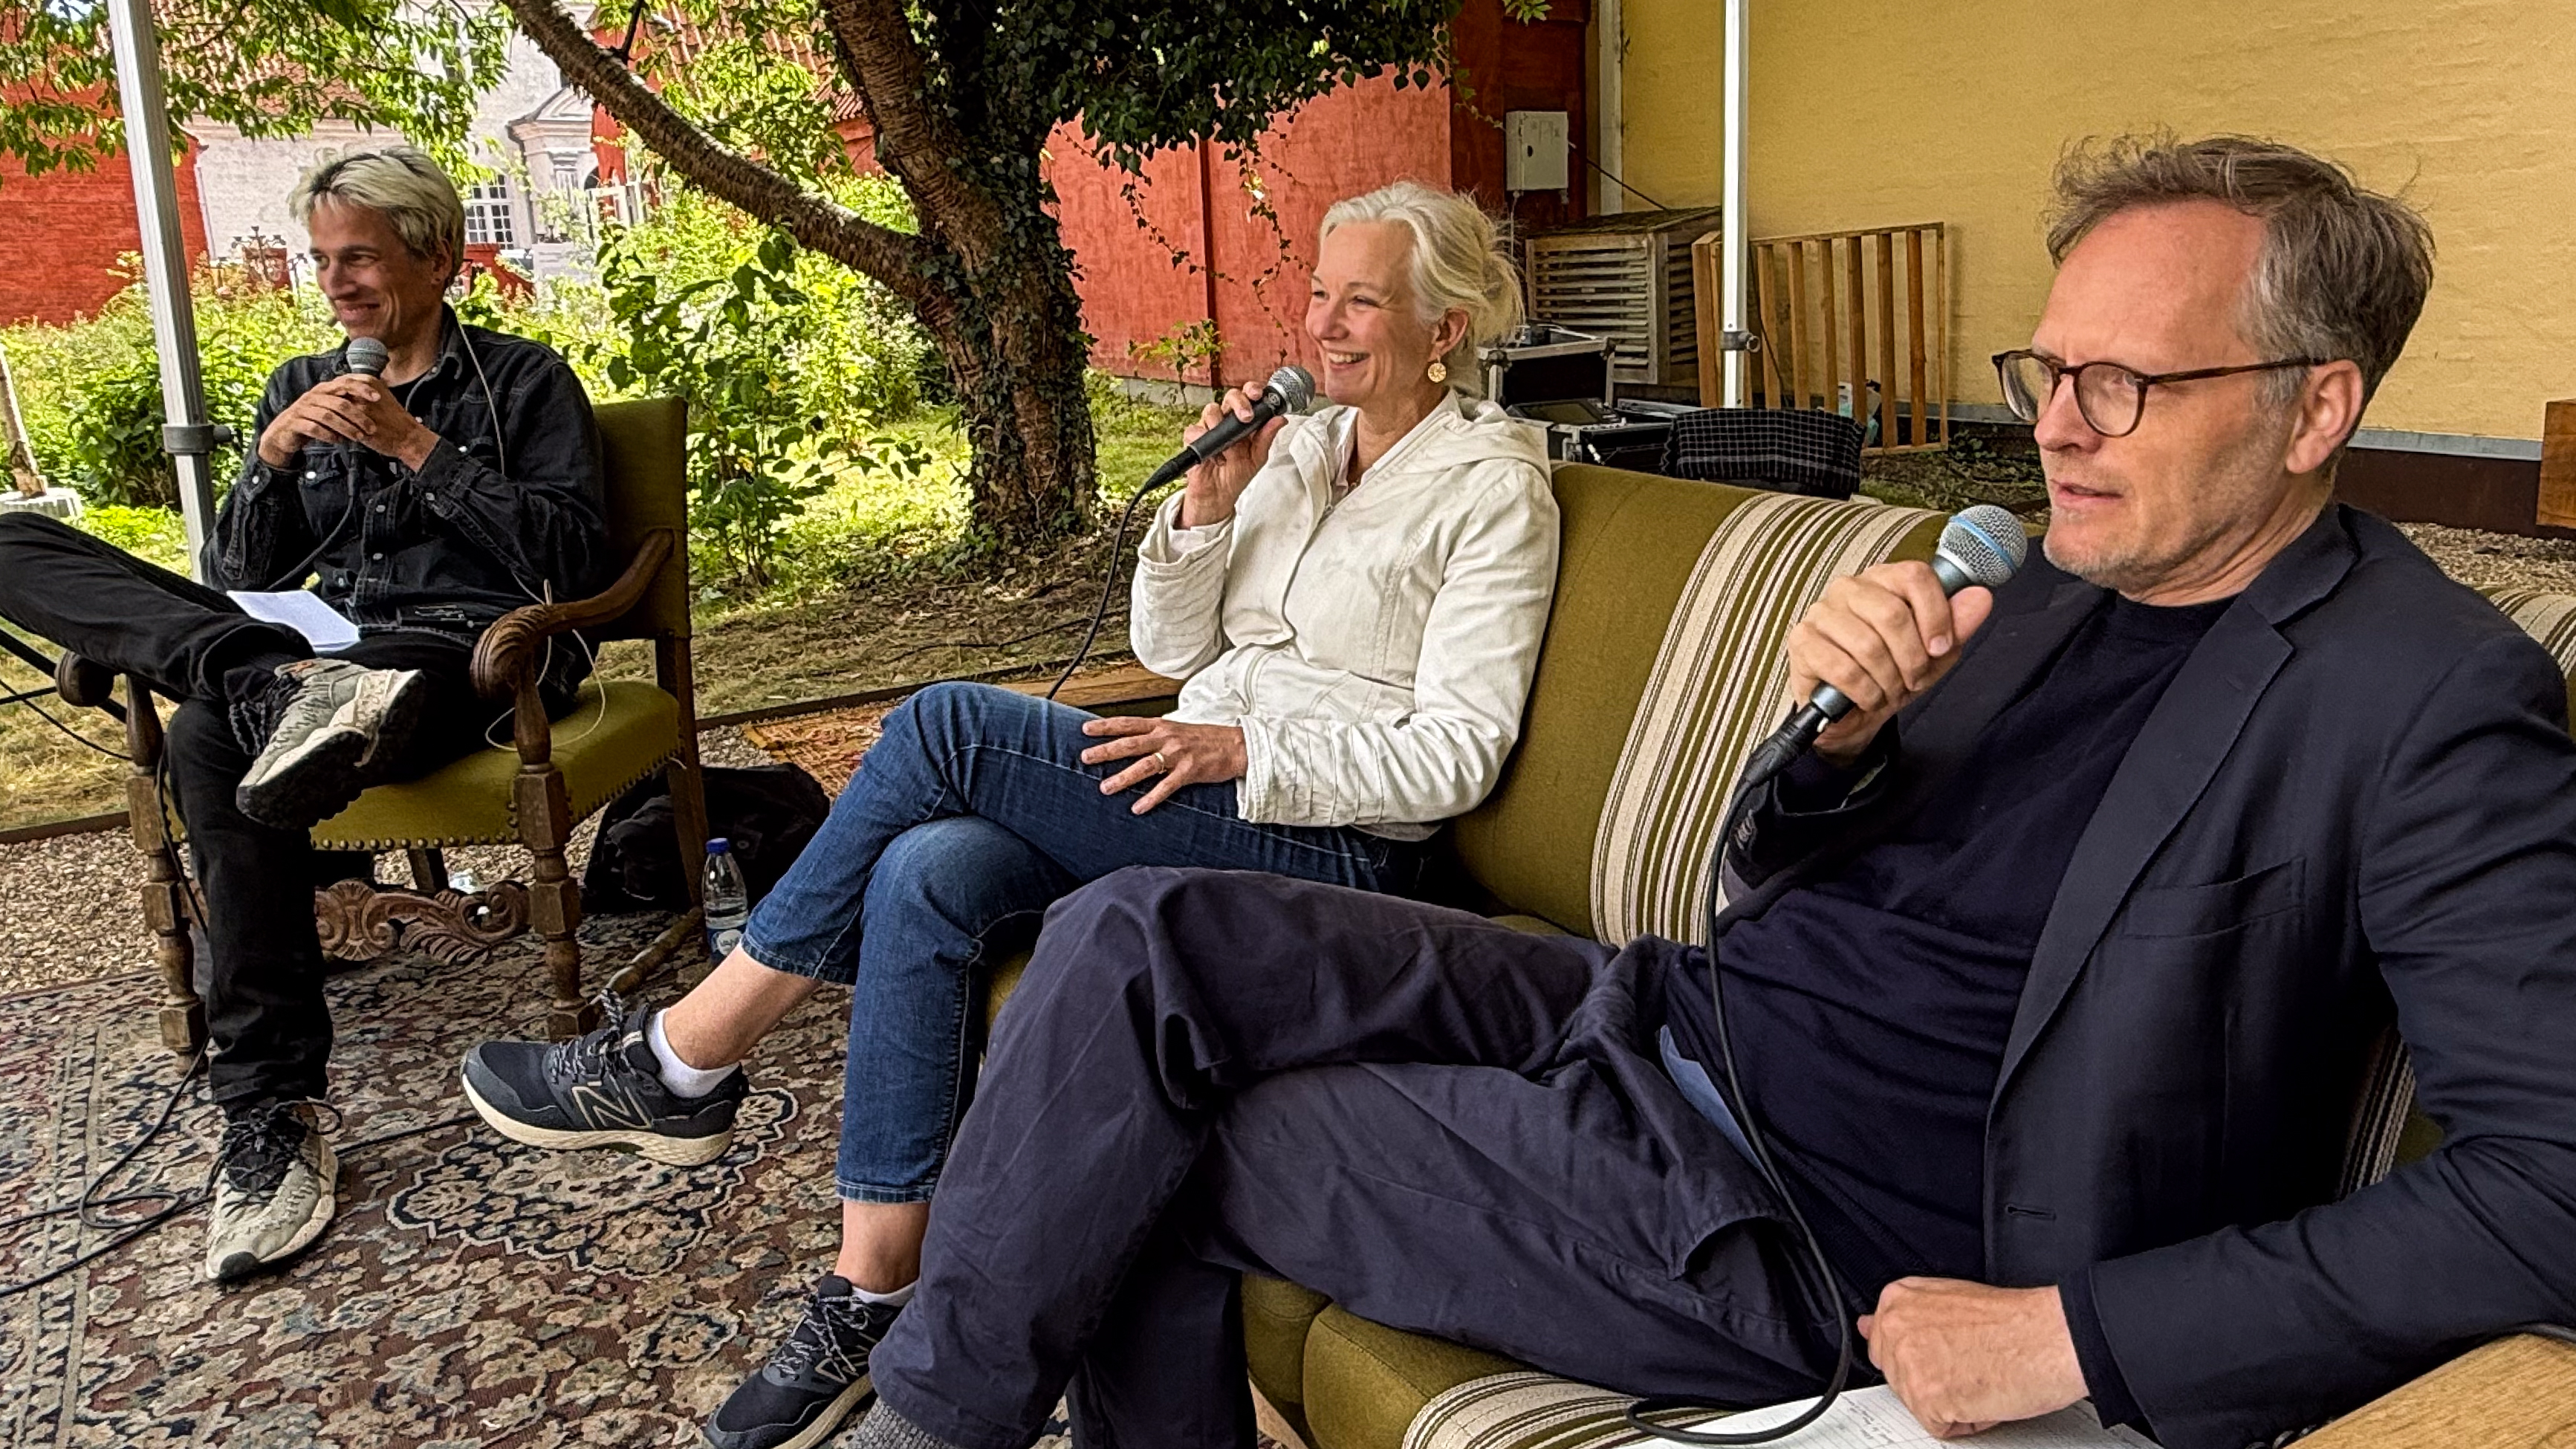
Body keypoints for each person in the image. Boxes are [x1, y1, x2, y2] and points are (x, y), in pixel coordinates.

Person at [820, 134, 2576, 1449]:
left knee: (1162, 1134)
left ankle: (931, 1420)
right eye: (2048, 373)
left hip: (1792, 1218)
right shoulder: (2041, 581)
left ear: (2316, 409)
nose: (2056, 428)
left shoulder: (2425, 696)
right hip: (1651, 1009)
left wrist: (2075, 1341)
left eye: (2123, 384)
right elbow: (1774, 879)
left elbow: (2555, 1187)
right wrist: (1837, 749)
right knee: (1137, 936)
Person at [457, 180, 1562, 1449]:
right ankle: (872, 1288)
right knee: (930, 868)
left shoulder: (1493, 490)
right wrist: (1208, 506)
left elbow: (1459, 756)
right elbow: (1171, 646)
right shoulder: (1302, 448)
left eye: (1362, 302)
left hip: (1332, 844)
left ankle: (681, 1057)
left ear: (1446, 328)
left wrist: (1245, 748)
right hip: (1201, 780)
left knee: (944, 727)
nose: (1322, 325)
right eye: (1318, 293)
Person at [0, 144, 606, 1283]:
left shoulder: (526, 382)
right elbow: (238, 571)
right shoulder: (296, 385)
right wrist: (272, 461)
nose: (335, 281)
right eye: (322, 259)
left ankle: (267, 1104)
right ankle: (263, 682)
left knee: (200, 732)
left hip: (464, 653)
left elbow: (575, 560)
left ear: (438, 256)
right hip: (309, 647)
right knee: (12, 542)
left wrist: (416, 447)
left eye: (360, 257)